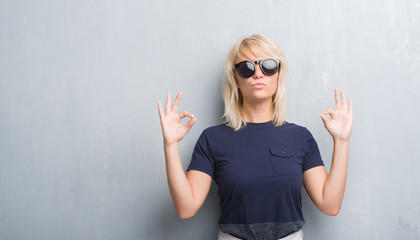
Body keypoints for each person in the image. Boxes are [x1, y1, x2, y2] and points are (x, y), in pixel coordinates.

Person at [157, 34, 353, 240]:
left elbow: (330, 205)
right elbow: (186, 208)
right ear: (236, 80)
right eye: (247, 68)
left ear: (278, 75)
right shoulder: (212, 139)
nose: (258, 74)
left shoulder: (300, 137)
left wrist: (342, 141)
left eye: (268, 66)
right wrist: (170, 145)